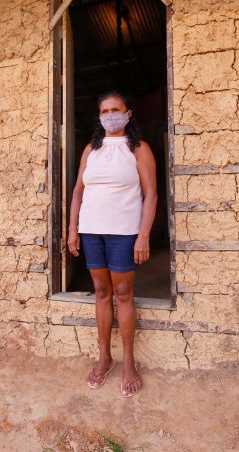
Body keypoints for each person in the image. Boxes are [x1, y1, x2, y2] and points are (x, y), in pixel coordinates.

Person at [67, 90, 157, 398]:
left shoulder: (139, 148)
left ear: (128, 113)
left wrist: (143, 234)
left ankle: (129, 361)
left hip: (123, 232)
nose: (109, 115)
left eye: (115, 109)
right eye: (104, 111)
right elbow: (78, 191)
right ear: (99, 116)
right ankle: (105, 357)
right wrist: (72, 228)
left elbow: (151, 194)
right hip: (92, 231)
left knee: (123, 292)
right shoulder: (91, 150)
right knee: (102, 291)